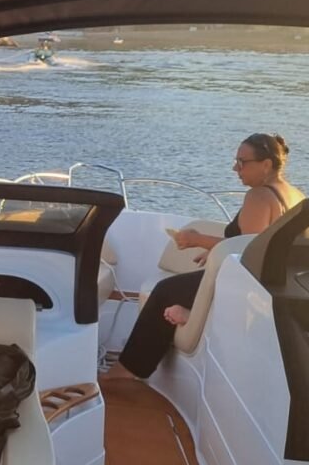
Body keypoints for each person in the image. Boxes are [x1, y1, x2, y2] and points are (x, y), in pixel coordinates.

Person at [104, 133, 304, 380]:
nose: (235, 168)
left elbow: (247, 248)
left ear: (266, 164)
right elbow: (263, 244)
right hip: (263, 283)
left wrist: (196, 239)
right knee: (177, 290)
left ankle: (127, 370)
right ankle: (184, 314)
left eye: (242, 162)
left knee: (164, 291)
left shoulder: (259, 196)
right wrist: (213, 250)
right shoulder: (294, 194)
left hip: (240, 283)